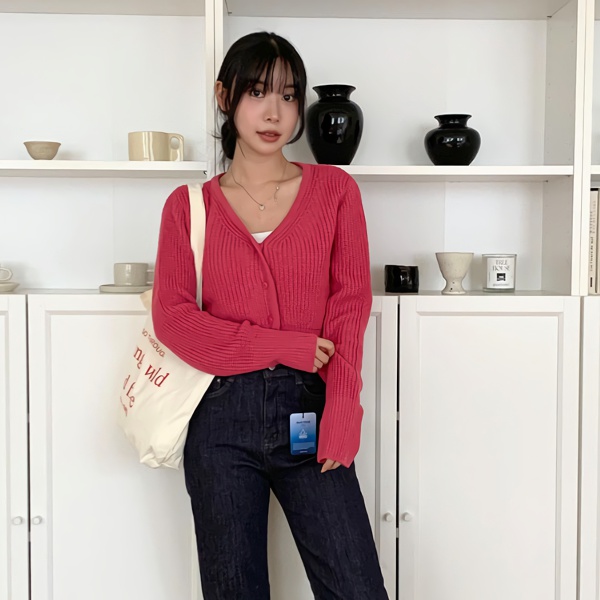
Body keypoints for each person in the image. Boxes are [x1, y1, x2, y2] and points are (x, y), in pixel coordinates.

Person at [152, 31, 388, 600]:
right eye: (257, 92)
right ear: (224, 96)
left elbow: (350, 305)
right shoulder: (188, 207)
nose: (274, 112)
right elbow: (173, 318)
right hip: (219, 418)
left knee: (356, 587)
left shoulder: (334, 191)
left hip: (311, 408)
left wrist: (343, 411)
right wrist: (281, 346)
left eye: (288, 95)